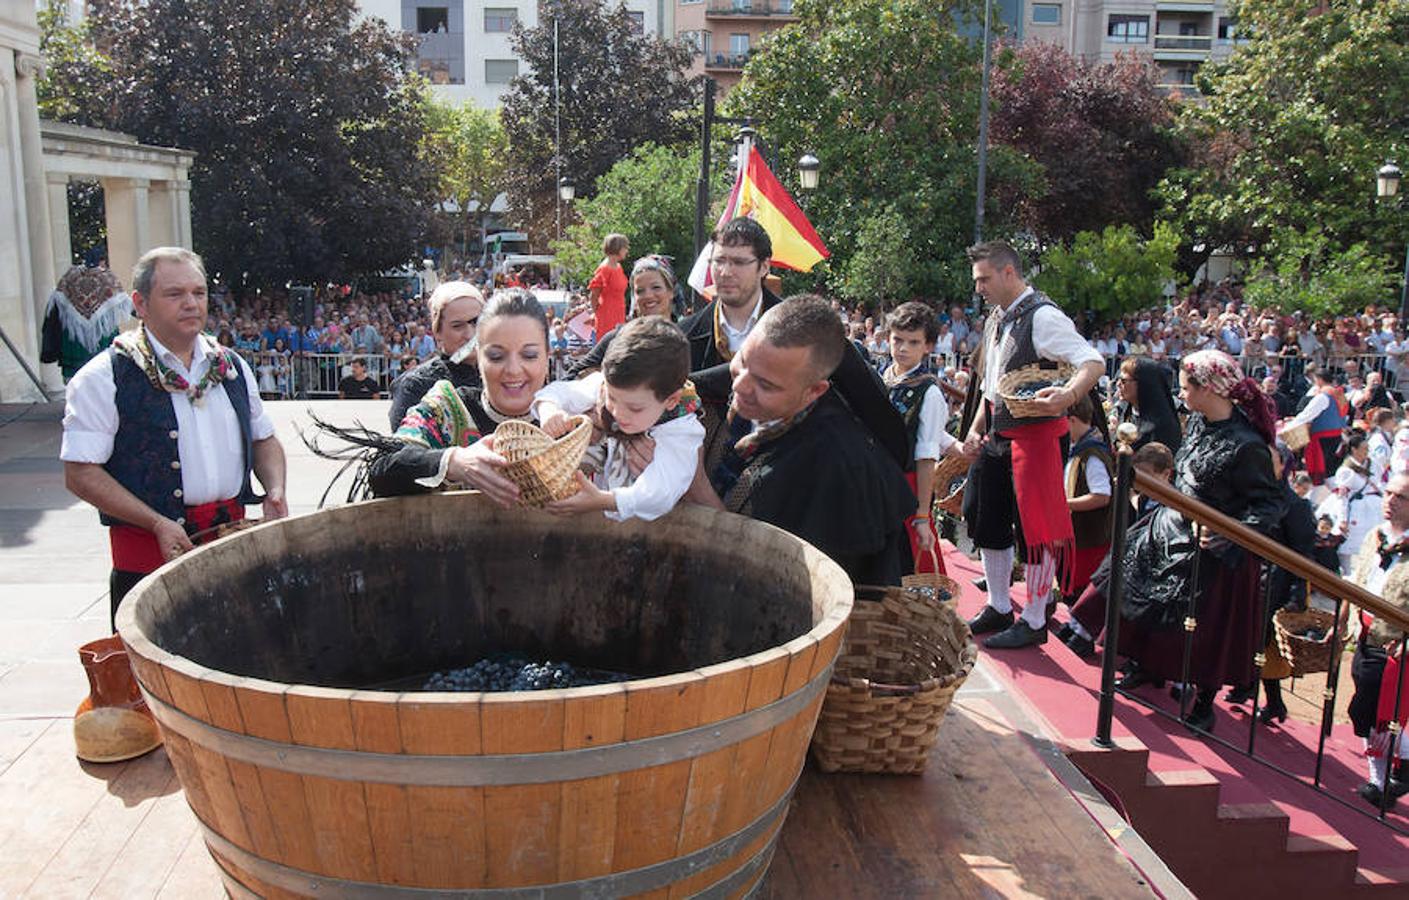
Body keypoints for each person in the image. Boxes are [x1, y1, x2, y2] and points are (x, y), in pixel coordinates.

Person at [60, 247, 289, 635]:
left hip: (230, 551)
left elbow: (264, 440)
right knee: (155, 683)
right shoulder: (104, 376)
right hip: (148, 565)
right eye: (174, 294)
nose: (190, 304)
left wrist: (276, 488)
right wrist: (156, 523)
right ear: (140, 304)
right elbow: (80, 472)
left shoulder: (230, 366)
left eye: (198, 293)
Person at [684, 296, 916, 585]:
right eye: (742, 361)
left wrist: (697, 489)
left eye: (765, 385)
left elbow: (784, 585)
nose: (739, 385)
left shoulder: (840, 467)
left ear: (815, 391)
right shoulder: (728, 392)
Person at [1110, 350, 1284, 734]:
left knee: (1207, 631)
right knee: (1136, 593)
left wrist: (1227, 533)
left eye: (1187, 387)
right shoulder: (1201, 424)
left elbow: (1270, 505)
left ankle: (1205, 702)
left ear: (1207, 389)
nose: (1180, 393)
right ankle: (1145, 664)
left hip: (1216, 551)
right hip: (1171, 529)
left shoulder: (1248, 445)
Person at [959, 240, 1105, 650]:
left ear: (1009, 273)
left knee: (1036, 532)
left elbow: (1092, 361)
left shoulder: (1043, 317)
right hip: (998, 434)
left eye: (984, 279)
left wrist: (1065, 396)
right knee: (988, 520)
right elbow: (992, 387)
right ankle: (1000, 604)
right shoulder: (996, 319)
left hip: (1038, 437)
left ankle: (1038, 617)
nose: (979, 288)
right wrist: (974, 429)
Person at [680, 218, 908, 469]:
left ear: (764, 266)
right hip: (707, 477)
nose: (725, 272)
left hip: (793, 475)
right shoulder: (683, 336)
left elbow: (868, 398)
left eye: (739, 262)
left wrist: (897, 466)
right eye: (719, 261)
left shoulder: (809, 329)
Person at [535, 317, 705, 521]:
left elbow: (661, 492)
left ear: (671, 400)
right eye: (612, 398)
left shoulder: (681, 430)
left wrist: (605, 501)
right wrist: (550, 411)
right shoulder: (606, 387)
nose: (618, 413)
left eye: (635, 408)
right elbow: (556, 393)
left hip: (648, 531)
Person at [881, 301, 964, 574]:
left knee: (908, 565)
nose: (903, 348)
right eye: (898, 340)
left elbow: (927, 453)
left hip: (909, 486)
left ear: (928, 345)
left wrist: (921, 515)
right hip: (880, 481)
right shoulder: (885, 375)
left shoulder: (929, 391)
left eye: (913, 342)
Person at [1344, 472, 1409, 808]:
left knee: (1377, 712)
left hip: (1395, 646)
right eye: (1389, 493)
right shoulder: (1374, 536)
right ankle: (1388, 776)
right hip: (1365, 635)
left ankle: (1382, 779)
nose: (1390, 500)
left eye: (1399, 496)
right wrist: (1342, 622)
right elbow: (1356, 581)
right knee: (1369, 713)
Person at [387, 281, 484, 428]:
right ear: (437, 332)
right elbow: (403, 448)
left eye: (476, 322)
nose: (470, 334)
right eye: (457, 326)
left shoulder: (506, 375)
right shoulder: (416, 384)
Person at [569, 255, 679, 378]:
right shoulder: (618, 337)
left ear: (671, 291)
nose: (648, 295)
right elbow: (570, 378)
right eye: (640, 291)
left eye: (656, 287)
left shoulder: (688, 335)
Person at [1286, 368, 1349, 485]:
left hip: (1321, 440)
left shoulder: (1323, 396)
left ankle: (1337, 498)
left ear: (1319, 380)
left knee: (1320, 474)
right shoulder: (1340, 395)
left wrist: (1285, 429)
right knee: (1329, 473)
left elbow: (1306, 416)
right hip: (1336, 437)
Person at [1115, 356, 1183, 453]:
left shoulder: (1162, 428)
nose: (1118, 384)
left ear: (1143, 385)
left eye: (1123, 381)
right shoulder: (1126, 412)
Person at [588, 233, 630, 339]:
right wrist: (597, 312)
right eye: (625, 248)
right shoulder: (604, 269)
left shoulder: (618, 267)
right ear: (618, 248)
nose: (627, 251)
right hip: (607, 315)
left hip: (619, 312)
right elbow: (594, 295)